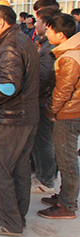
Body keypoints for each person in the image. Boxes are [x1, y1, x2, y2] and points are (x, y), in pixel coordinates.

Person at [0, 5, 39, 236]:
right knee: (19, 169)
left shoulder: (10, 46)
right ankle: (15, 215)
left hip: (13, 117)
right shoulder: (20, 39)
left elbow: (8, 86)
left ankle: (10, 222)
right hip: (27, 115)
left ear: (1, 22)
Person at [39, 13, 80, 219]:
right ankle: (65, 197)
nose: (46, 33)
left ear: (61, 35)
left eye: (49, 30)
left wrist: (50, 111)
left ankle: (67, 205)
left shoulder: (70, 57)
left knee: (66, 161)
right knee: (65, 159)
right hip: (70, 111)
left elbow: (62, 91)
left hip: (68, 114)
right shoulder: (71, 52)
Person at [30, 6, 60, 194]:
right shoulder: (44, 45)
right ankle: (42, 175)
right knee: (40, 141)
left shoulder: (50, 50)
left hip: (43, 101)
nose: (36, 25)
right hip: (40, 100)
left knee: (44, 142)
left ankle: (46, 180)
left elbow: (43, 78)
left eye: (39, 21)